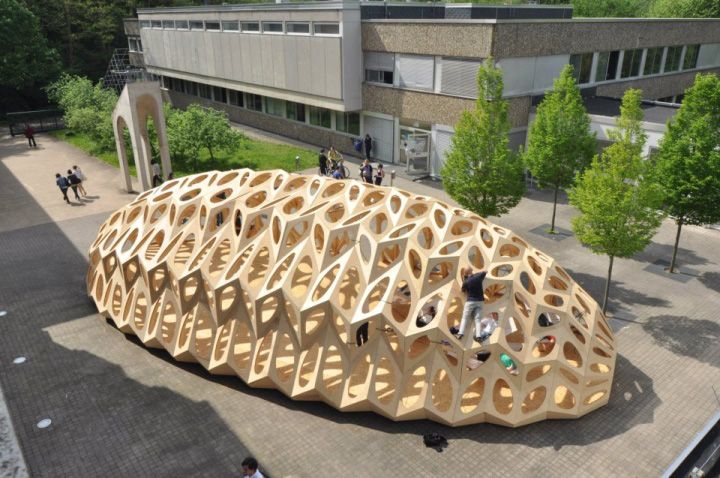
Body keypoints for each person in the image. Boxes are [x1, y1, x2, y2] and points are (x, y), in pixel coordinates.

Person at [455, 267, 487, 341]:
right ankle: (478, 336)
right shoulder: (478, 277)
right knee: (478, 319)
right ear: (472, 271)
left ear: (465, 273)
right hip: (480, 301)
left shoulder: (466, 282)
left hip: (470, 301)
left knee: (465, 318)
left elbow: (463, 290)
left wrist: (465, 278)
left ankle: (460, 334)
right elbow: (485, 271)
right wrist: (478, 273)